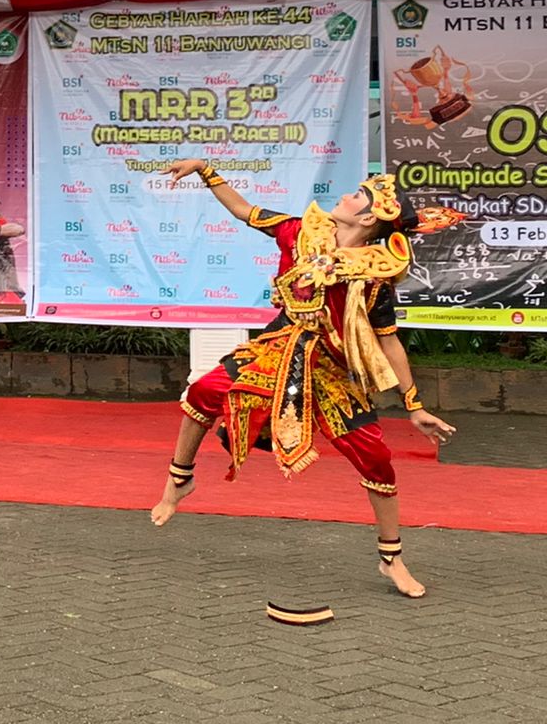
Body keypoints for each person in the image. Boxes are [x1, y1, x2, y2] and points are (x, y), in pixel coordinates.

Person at [149, 163, 459, 599]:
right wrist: (205, 170)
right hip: (276, 349)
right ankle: (180, 477)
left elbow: (390, 345)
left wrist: (415, 405)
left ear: (369, 218)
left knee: (376, 460)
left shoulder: (372, 279)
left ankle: (391, 558)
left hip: (330, 373)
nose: (347, 196)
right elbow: (244, 211)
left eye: (357, 194)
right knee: (203, 391)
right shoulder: (297, 233)